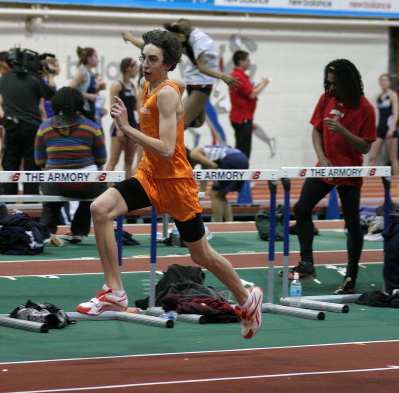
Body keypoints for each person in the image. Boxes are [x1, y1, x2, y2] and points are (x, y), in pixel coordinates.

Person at [76, 29, 263, 340]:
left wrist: (126, 128)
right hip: (150, 176)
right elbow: (175, 79)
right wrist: (147, 52)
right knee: (100, 209)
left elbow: (165, 148)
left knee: (201, 255)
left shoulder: (165, 93)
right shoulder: (150, 85)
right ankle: (115, 292)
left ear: (168, 64)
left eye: (153, 60)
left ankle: (247, 298)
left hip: (175, 182)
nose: (145, 64)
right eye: (143, 58)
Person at [285, 59, 376, 294]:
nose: (331, 87)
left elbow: (365, 146)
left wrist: (343, 131)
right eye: (328, 82)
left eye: (335, 83)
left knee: (352, 223)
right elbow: (316, 130)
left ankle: (351, 277)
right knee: (302, 208)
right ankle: (307, 264)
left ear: (348, 82)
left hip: (349, 171)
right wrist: (321, 157)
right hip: (325, 167)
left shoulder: (365, 108)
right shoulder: (326, 98)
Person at [122, 19, 241, 145]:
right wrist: (129, 37)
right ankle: (150, 134)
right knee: (182, 124)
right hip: (200, 83)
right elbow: (148, 48)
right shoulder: (182, 38)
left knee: (198, 122)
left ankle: (156, 126)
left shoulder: (199, 40)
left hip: (198, 80)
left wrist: (223, 77)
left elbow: (201, 66)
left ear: (182, 35)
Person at [34, 87, 107, 244]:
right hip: (87, 186)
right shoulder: (92, 127)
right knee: (95, 192)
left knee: (51, 197)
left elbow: (39, 161)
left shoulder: (44, 127)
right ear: (80, 103)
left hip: (55, 185)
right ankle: (78, 230)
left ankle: (46, 231)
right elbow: (102, 159)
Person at [0, 50, 55, 195]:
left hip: (11, 126)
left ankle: (8, 199)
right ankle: (31, 199)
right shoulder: (33, 79)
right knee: (31, 165)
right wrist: (49, 75)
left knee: (10, 163)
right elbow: (49, 94)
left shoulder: (3, 79)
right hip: (31, 127)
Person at [188, 145, 248, 222]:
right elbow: (204, 180)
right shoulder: (203, 156)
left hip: (231, 159)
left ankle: (218, 223)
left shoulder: (194, 153)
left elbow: (214, 165)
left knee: (214, 195)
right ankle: (230, 223)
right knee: (221, 196)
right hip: (242, 158)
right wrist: (198, 199)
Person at [228, 50, 269, 159]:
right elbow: (252, 94)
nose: (249, 63)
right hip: (242, 117)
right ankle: (240, 167)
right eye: (247, 60)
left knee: (242, 146)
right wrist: (264, 83)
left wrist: (260, 85)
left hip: (241, 116)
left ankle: (239, 166)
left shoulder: (238, 75)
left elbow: (248, 92)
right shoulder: (239, 76)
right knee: (244, 149)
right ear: (241, 62)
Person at [106, 57, 139, 179]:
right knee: (113, 160)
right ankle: (108, 187)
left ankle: (128, 187)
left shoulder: (133, 86)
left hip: (131, 125)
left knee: (129, 161)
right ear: (128, 68)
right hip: (119, 126)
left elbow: (135, 107)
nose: (137, 70)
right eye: (135, 67)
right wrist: (118, 128)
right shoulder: (117, 85)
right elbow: (113, 108)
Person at [368, 74, 399, 175]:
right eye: (381, 80)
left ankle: (397, 180)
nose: (383, 82)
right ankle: (366, 179)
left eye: (386, 80)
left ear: (389, 83)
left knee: (393, 157)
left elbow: (396, 114)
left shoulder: (393, 95)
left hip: (390, 128)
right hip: (380, 128)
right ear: (379, 83)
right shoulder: (378, 96)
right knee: (372, 156)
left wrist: (391, 129)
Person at [68, 46, 101, 121]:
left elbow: (91, 92)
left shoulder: (91, 74)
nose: (98, 60)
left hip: (91, 109)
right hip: (83, 111)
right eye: (95, 57)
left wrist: (99, 88)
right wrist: (88, 95)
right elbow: (69, 90)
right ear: (88, 59)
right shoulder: (82, 73)